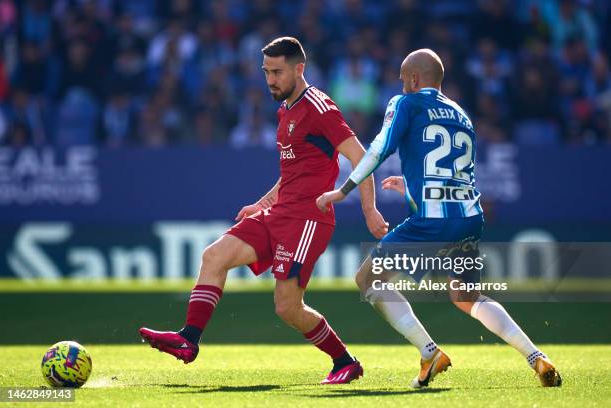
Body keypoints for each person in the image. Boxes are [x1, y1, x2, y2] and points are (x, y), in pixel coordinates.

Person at [139, 37, 388, 385]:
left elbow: (361, 158)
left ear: (299, 69)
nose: (270, 79)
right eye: (266, 72)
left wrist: (369, 209)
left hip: (307, 220)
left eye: (277, 72)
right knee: (214, 256)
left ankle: (344, 361)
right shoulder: (285, 108)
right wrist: (263, 202)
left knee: (287, 307)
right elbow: (293, 172)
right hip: (279, 213)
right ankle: (188, 339)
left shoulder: (320, 108)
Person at [316, 49, 562, 388]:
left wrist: (344, 190)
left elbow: (379, 148)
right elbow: (456, 172)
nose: (402, 87)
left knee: (368, 279)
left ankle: (429, 352)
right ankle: (536, 356)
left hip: (433, 221)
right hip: (468, 217)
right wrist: (412, 185)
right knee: (466, 297)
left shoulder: (406, 103)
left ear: (415, 79)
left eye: (404, 81)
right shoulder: (461, 114)